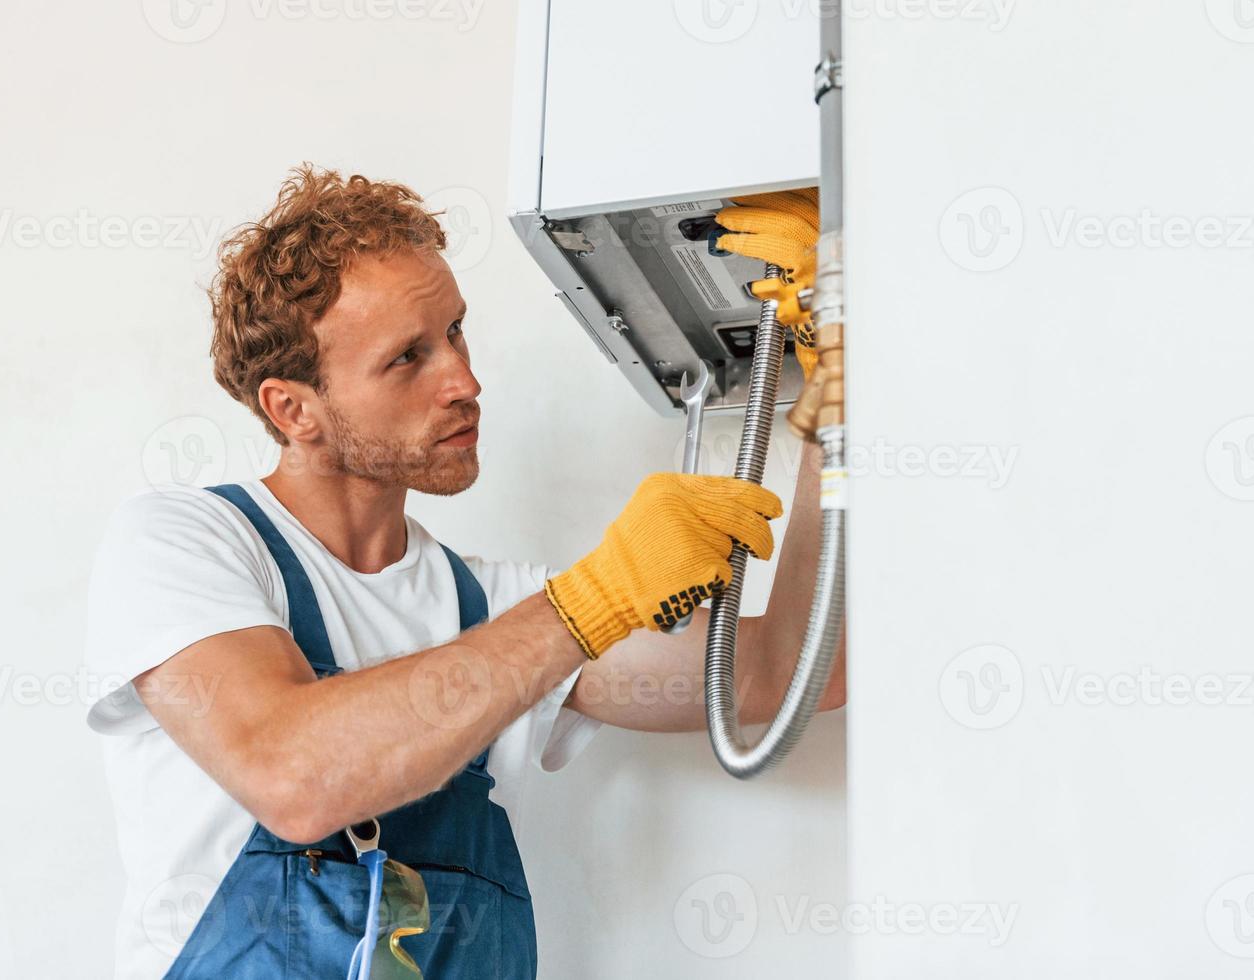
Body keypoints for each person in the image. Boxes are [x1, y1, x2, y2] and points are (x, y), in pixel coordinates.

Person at [83, 164, 846, 979]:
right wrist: (591, 601)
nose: (465, 381)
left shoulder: (491, 607)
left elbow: (790, 672)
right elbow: (294, 776)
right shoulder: (185, 543)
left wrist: (831, 399)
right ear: (292, 409)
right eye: (407, 357)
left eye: (455, 332)